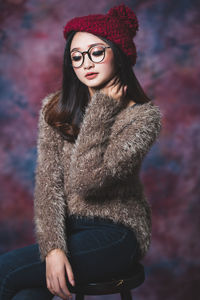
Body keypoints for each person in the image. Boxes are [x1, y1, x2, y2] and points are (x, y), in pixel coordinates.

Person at [0, 4, 162, 300]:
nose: (86, 63)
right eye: (77, 56)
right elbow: (48, 186)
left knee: (5, 271)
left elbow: (87, 181)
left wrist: (101, 109)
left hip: (118, 233)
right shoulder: (55, 108)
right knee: (27, 294)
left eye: (96, 52)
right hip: (70, 230)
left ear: (119, 52)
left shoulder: (142, 118)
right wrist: (53, 248)